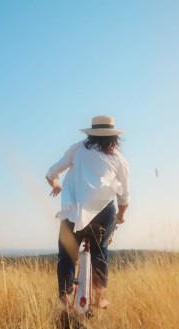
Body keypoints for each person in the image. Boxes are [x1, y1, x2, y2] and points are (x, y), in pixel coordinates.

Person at [46, 115, 130, 310]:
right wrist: (121, 216)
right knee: (101, 251)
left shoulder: (77, 149)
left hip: (74, 211)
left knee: (67, 254)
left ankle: (65, 301)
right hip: (103, 212)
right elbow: (124, 197)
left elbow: (51, 173)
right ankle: (99, 298)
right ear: (114, 137)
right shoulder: (119, 159)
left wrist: (56, 183)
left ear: (91, 134)